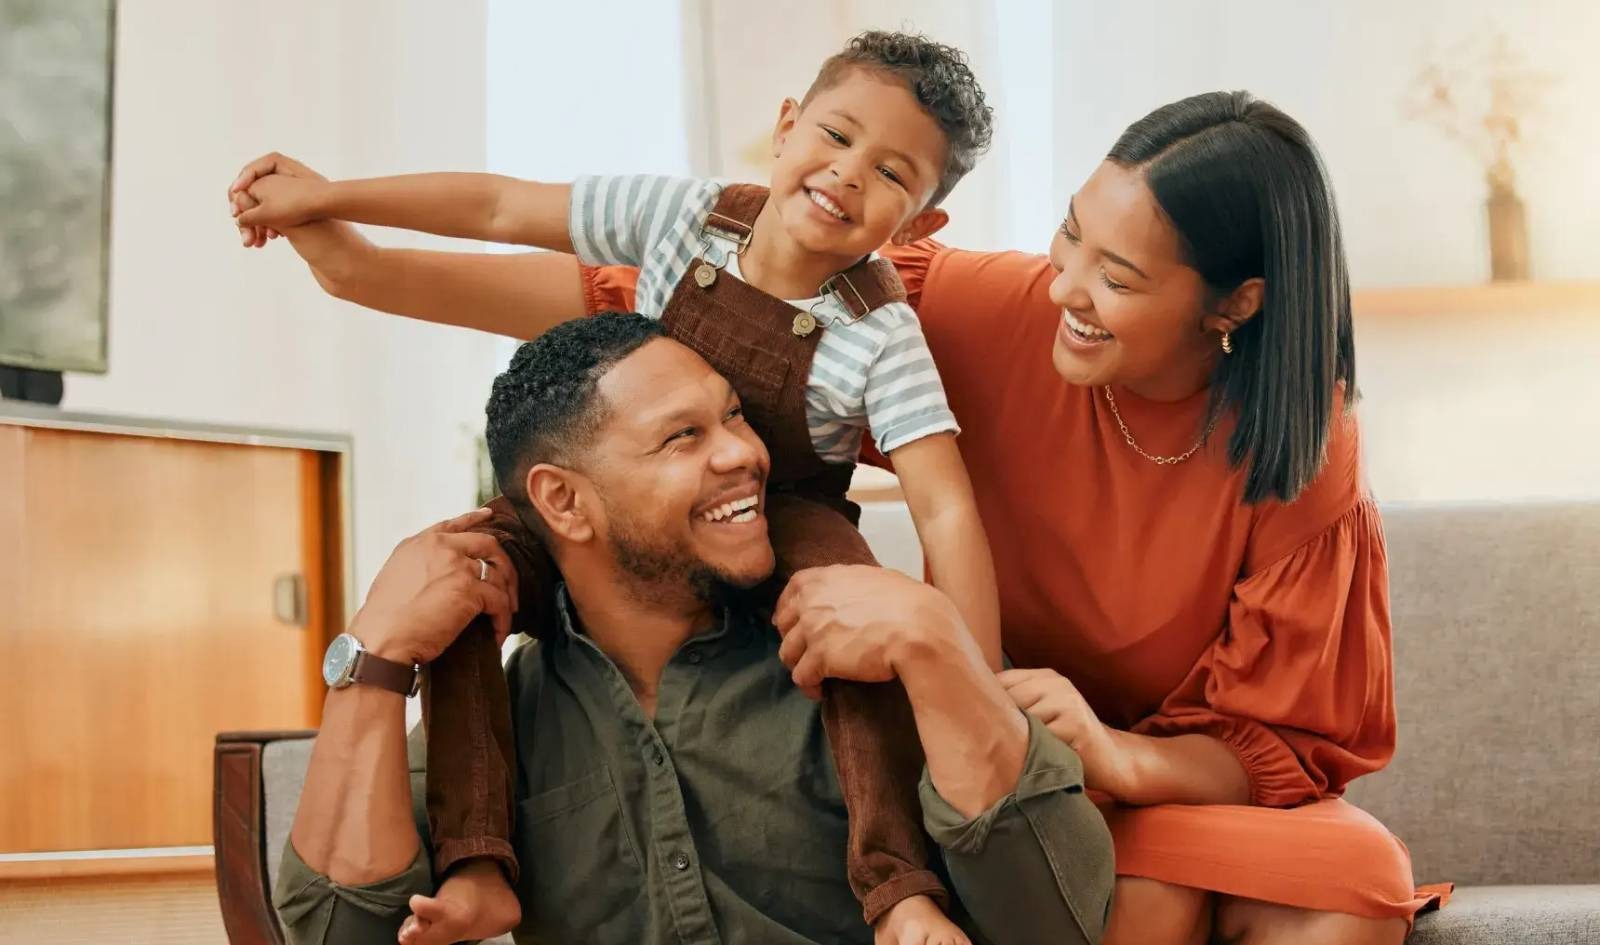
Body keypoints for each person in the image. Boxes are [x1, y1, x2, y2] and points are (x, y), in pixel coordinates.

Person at [245, 91, 1453, 940]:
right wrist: (354, 263)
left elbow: (1285, 740)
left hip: (1113, 765)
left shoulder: (1300, 450)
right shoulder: (971, 311)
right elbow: (666, 315)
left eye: (1119, 279)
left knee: (1350, 879)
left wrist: (1104, 748)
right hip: (983, 753)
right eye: (1070, 237)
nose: (1067, 291)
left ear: (1234, 304)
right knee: (1143, 901)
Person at [229, 31, 999, 945]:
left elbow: (946, 507)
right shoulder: (685, 215)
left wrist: (977, 676)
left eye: (892, 174)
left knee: (861, 638)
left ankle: (899, 884)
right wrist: (330, 197)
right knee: (461, 576)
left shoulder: (881, 334)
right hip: (622, 479)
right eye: (836, 135)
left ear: (918, 226)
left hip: (785, 509)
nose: (847, 173)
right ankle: (476, 860)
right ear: (788, 124)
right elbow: (499, 205)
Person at [273, 313, 1114, 945]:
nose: (744, 453)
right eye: (683, 437)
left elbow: (1058, 920)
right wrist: (372, 658)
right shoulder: (497, 726)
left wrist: (936, 639)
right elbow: (337, 931)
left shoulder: (875, 658)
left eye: (735, 415)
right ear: (564, 501)